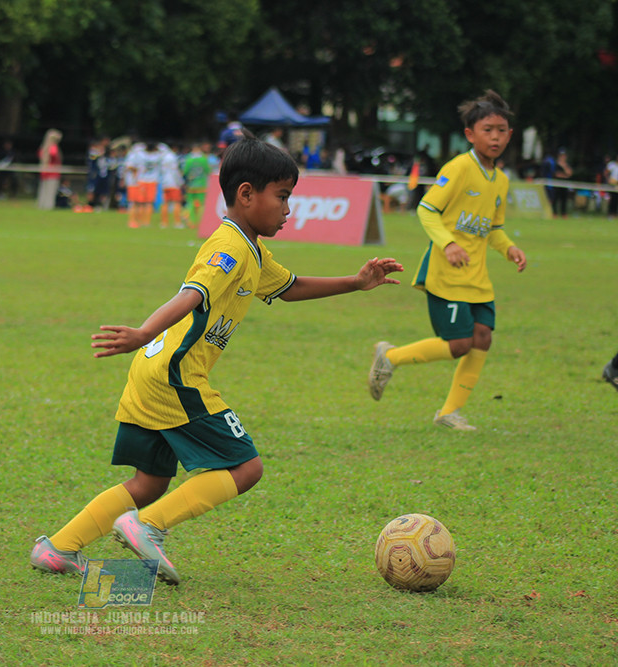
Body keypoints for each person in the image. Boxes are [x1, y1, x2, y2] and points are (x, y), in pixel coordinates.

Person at [29, 135, 403, 583]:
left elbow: (290, 288)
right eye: (282, 196)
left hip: (152, 371)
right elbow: (191, 294)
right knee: (246, 467)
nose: (288, 210)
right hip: (176, 376)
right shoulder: (229, 248)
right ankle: (148, 525)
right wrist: (145, 330)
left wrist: (356, 283)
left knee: (149, 482)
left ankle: (58, 547)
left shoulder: (251, 249)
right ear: (246, 194)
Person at [368, 90, 527, 431]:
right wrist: (449, 243)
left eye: (501, 130)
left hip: (477, 278)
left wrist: (509, 248)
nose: (495, 137)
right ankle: (390, 357)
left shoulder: (501, 180)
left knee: (482, 339)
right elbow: (427, 209)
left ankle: (449, 413)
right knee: (458, 345)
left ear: (510, 135)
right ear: (470, 134)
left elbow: (493, 229)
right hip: (446, 273)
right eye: (488, 130)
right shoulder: (458, 168)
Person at [182, 142, 211, 229]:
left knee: (191, 203)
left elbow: (185, 171)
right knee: (201, 204)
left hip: (191, 185)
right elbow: (208, 171)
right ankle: (199, 221)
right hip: (201, 185)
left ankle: (190, 220)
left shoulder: (188, 159)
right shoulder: (203, 159)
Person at [36, 129, 63, 210]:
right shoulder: (53, 147)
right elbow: (54, 155)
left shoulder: (44, 148)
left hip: (44, 172)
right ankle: (48, 206)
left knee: (43, 190)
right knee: (50, 191)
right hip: (53, 172)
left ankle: (42, 204)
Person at [603, 154, 618, 219]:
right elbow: (606, 172)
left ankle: (615, 213)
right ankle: (610, 213)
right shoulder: (612, 164)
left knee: (616, 199)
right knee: (612, 199)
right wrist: (608, 180)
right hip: (612, 184)